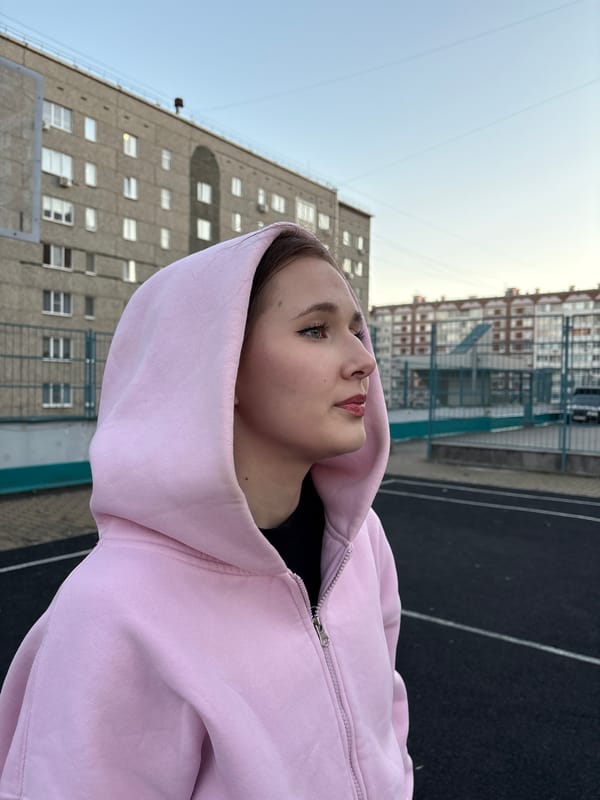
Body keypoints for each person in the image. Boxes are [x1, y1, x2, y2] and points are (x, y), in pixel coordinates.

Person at [0, 222, 413, 799]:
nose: (363, 360)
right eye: (316, 329)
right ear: (218, 367)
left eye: (357, 330)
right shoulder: (113, 611)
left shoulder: (361, 541)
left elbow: (383, 716)